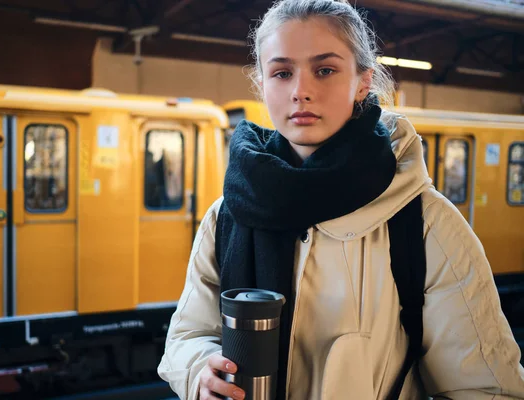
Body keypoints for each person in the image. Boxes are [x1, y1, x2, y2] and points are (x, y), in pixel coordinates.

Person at [157, 0, 524, 399]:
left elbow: (486, 388)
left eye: (325, 70)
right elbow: (187, 336)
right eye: (281, 73)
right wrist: (199, 371)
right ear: (262, 84)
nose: (300, 91)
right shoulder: (227, 216)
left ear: (363, 82)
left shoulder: (425, 223)